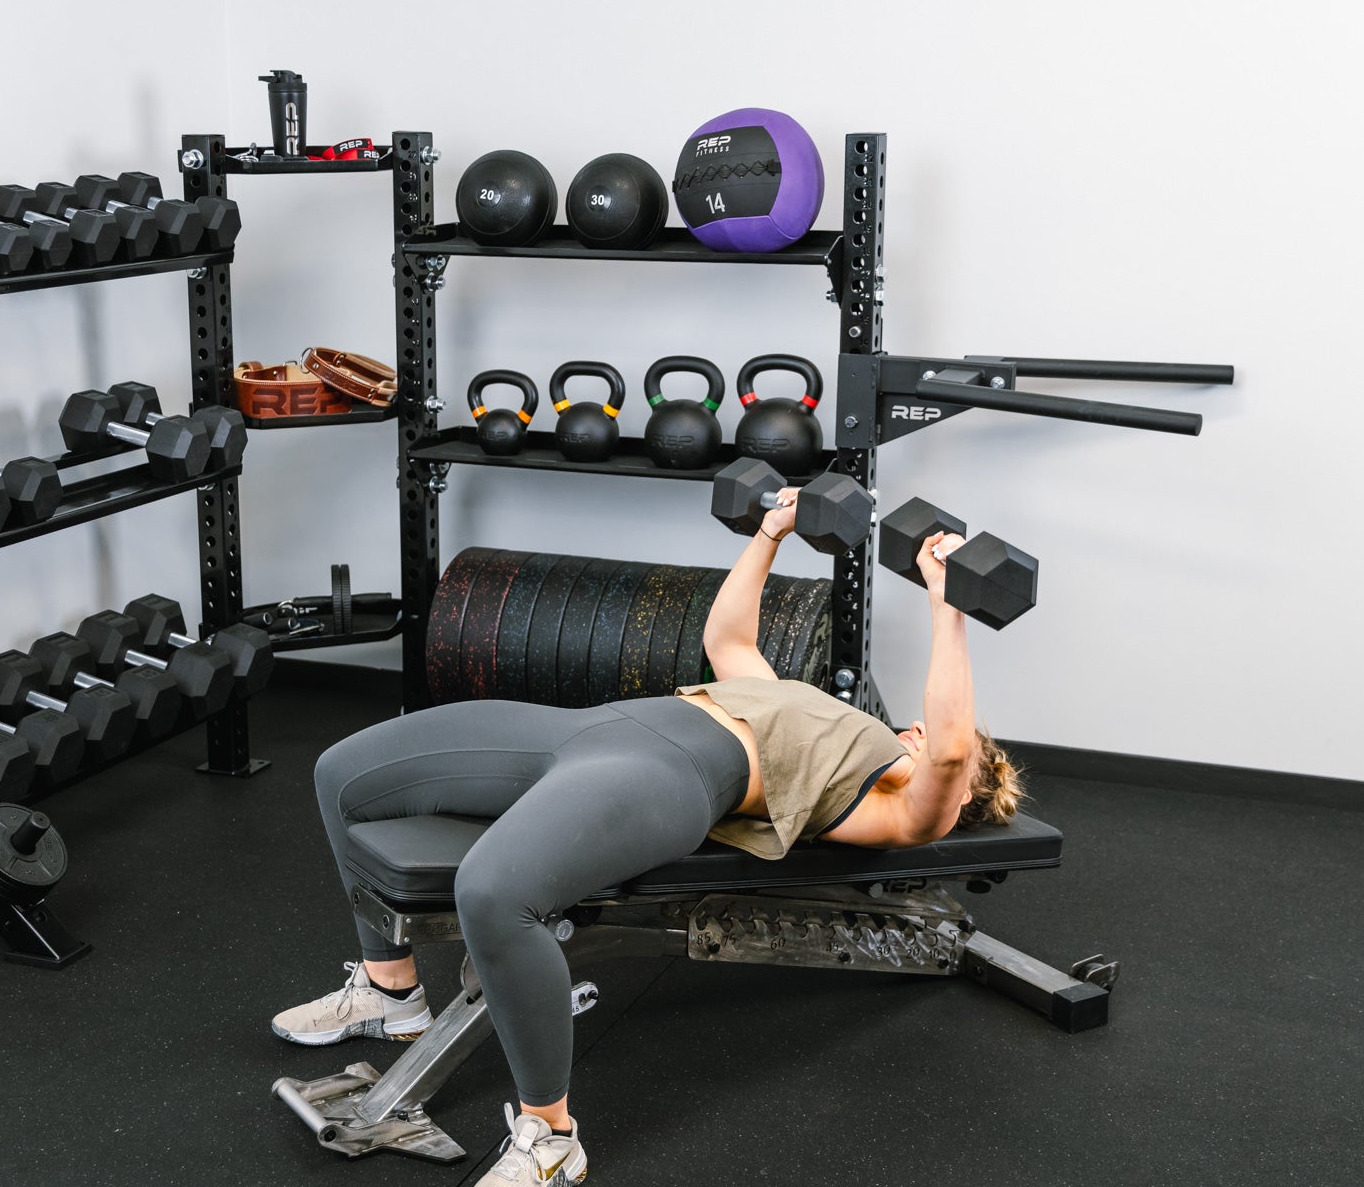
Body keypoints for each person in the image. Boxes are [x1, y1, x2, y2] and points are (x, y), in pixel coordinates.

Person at [272, 488, 1025, 1185]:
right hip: (588, 729)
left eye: (932, 738)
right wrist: (772, 532)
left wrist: (945, 602)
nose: (917, 728)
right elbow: (728, 640)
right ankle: (389, 994)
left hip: (668, 774)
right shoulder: (827, 714)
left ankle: (551, 1137)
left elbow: (951, 750)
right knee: (344, 773)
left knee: (495, 892)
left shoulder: (911, 804)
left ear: (961, 792)